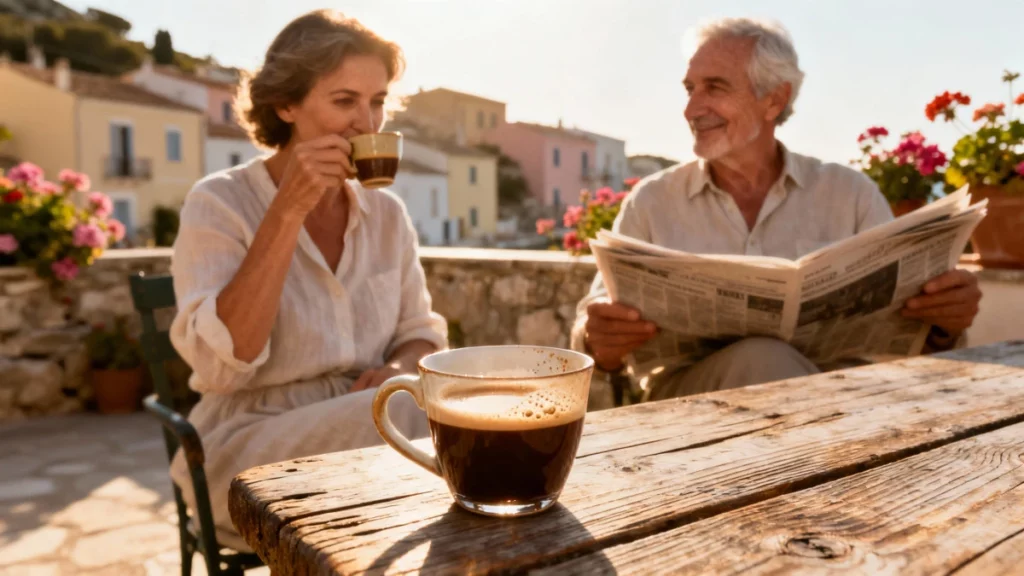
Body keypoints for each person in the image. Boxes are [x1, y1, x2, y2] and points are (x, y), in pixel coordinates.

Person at [572, 18, 982, 401]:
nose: (692, 108)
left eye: (714, 87)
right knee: (760, 358)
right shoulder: (652, 200)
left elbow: (911, 332)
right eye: (689, 88)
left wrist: (945, 323)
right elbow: (592, 325)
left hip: (840, 399)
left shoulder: (850, 194)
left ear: (774, 99)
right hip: (689, 406)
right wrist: (596, 338)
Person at [167, 10, 447, 551]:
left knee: (443, 398)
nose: (367, 124)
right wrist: (286, 211)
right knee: (424, 416)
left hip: (367, 431)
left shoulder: (386, 215)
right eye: (345, 101)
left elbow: (422, 333)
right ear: (286, 105)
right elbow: (223, 366)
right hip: (248, 445)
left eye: (378, 101)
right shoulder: (219, 202)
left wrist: (396, 365)